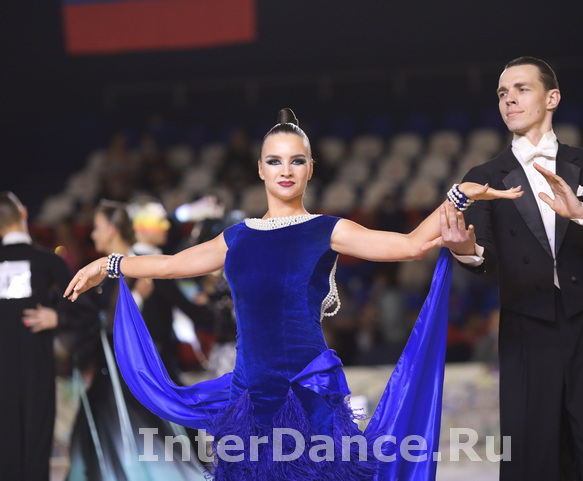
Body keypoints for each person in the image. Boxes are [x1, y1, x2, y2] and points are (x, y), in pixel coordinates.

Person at [65, 108, 522, 480]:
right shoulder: (237, 237)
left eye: (297, 161)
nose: (286, 170)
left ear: (310, 169)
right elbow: (169, 265)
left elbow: (409, 246)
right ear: (260, 169)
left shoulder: (327, 229)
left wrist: (458, 195)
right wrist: (107, 264)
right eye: (275, 161)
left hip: (308, 393)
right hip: (249, 397)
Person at [440, 56, 583, 481]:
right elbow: (485, 257)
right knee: (531, 457)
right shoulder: (484, 176)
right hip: (525, 330)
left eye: (521, 89)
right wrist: (466, 249)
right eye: (502, 93)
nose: (509, 99)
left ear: (552, 98)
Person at [66, 199, 204, 481]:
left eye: (97, 227)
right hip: (110, 379)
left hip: (144, 377)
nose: (92, 234)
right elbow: (94, 321)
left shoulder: (141, 267)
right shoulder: (101, 274)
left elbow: (118, 323)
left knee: (159, 447)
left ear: (112, 229)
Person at [0, 191, 97, 481]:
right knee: (36, 444)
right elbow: (86, 309)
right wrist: (59, 317)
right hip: (37, 370)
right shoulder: (46, 260)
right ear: (24, 214)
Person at [128, 196, 213, 384]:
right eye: (159, 221)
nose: (166, 226)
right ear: (140, 227)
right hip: (155, 355)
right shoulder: (151, 265)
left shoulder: (132, 260)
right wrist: (213, 314)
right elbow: (187, 306)